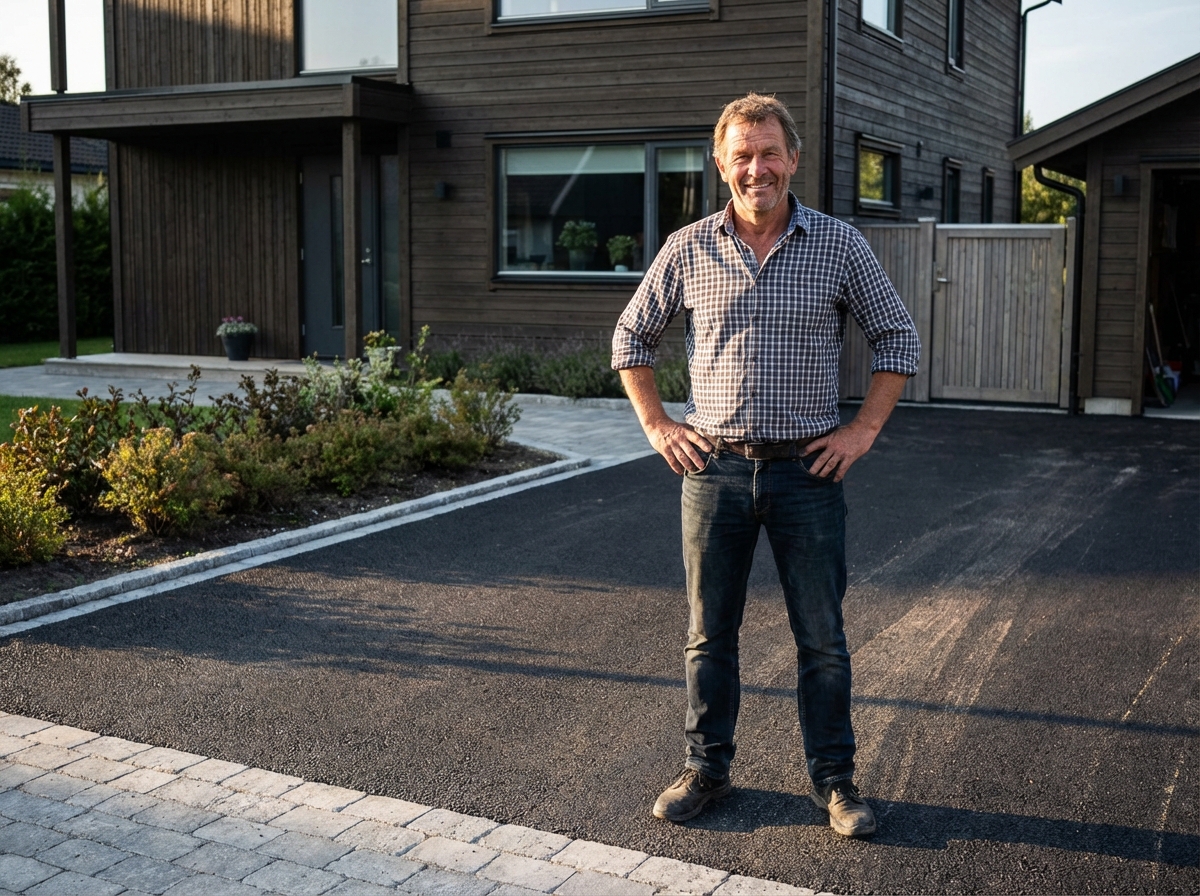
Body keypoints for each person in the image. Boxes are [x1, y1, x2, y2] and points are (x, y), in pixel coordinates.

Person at [611, 93, 920, 838]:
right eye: (743, 155)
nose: (758, 168)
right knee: (708, 636)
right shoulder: (688, 248)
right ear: (722, 164)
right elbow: (631, 339)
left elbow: (898, 339)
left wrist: (861, 432)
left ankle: (835, 782)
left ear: (794, 159)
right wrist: (657, 424)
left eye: (770, 153)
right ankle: (706, 770)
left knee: (822, 639)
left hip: (807, 475)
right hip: (712, 472)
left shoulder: (840, 245)